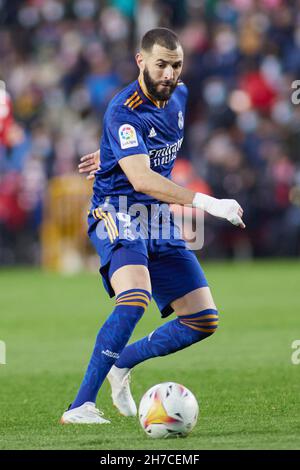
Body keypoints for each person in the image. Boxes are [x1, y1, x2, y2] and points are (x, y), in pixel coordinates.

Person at [61, 28, 245, 424]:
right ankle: (80, 406)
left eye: (176, 65)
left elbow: (155, 147)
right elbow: (141, 179)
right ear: (140, 61)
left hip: (158, 216)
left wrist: (113, 152)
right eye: (161, 64)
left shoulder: (180, 95)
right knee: (135, 297)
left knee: (202, 319)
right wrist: (208, 203)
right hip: (118, 209)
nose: (169, 73)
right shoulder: (122, 110)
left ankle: (121, 363)